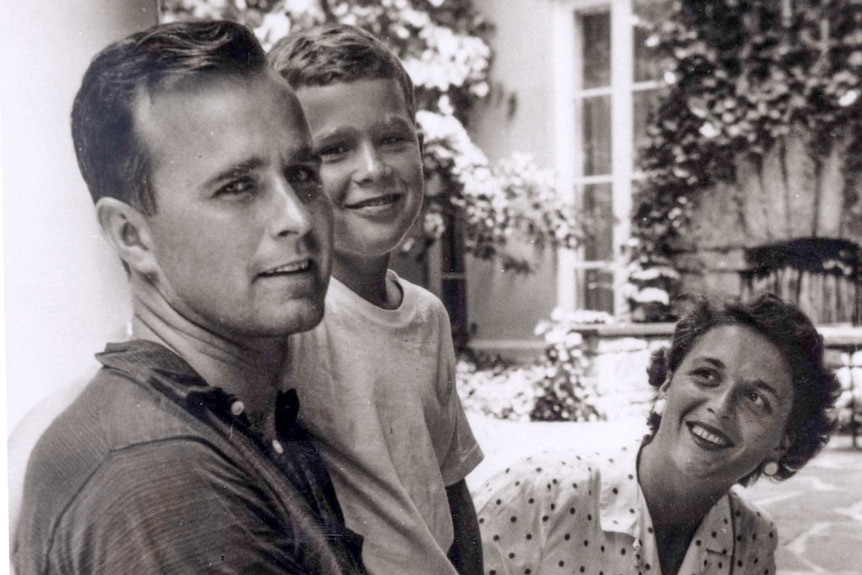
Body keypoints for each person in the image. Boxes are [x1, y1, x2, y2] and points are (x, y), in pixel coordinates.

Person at [13, 20, 366, 574]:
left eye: (302, 173)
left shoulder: (242, 417)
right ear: (132, 236)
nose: (297, 217)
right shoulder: (159, 475)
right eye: (237, 187)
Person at [268, 24, 485, 575]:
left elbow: (449, 484)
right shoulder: (290, 322)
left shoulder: (427, 316)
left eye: (393, 138)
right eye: (335, 149)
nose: (374, 169)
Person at [475, 293, 840, 575]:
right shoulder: (542, 494)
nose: (721, 407)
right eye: (707, 375)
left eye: (756, 399)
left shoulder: (752, 538)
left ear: (782, 441)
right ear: (667, 383)